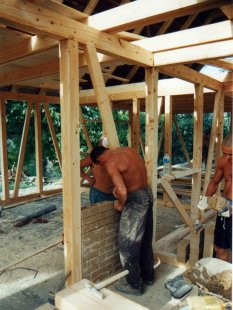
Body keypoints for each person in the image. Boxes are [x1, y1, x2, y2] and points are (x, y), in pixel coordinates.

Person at [90, 146, 155, 296]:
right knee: (144, 239)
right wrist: (118, 190)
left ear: (100, 161)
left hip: (136, 201)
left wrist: (119, 204)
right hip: (147, 193)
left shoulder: (110, 163)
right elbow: (129, 179)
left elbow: (124, 192)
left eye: (100, 165)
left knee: (128, 244)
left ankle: (134, 285)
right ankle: (148, 277)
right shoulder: (127, 150)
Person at [198, 133, 232, 262]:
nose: (228, 157)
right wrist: (206, 198)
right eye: (225, 153)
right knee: (220, 248)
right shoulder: (223, 161)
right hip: (226, 205)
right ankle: (221, 277)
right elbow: (214, 182)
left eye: (231, 154)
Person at [80, 136, 115, 204]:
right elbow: (77, 166)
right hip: (99, 194)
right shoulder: (93, 157)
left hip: (114, 194)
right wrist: (88, 178)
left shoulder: (115, 155)